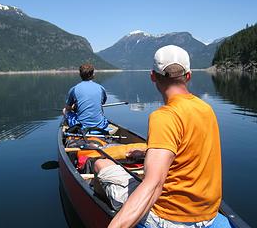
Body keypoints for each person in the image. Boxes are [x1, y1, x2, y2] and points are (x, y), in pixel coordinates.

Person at [94, 45, 232, 227]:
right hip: (208, 214)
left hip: (168, 219)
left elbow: (154, 185)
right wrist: (147, 154)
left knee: (99, 164)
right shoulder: (205, 109)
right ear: (188, 76)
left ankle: (99, 201)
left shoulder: (164, 116)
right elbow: (188, 149)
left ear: (153, 76)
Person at [63, 63, 108, 130]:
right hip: (100, 126)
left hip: (82, 127)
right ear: (93, 75)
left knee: (64, 110)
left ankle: (68, 127)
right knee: (101, 110)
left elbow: (68, 108)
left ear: (80, 75)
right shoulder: (101, 88)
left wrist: (73, 107)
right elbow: (102, 103)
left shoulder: (74, 89)